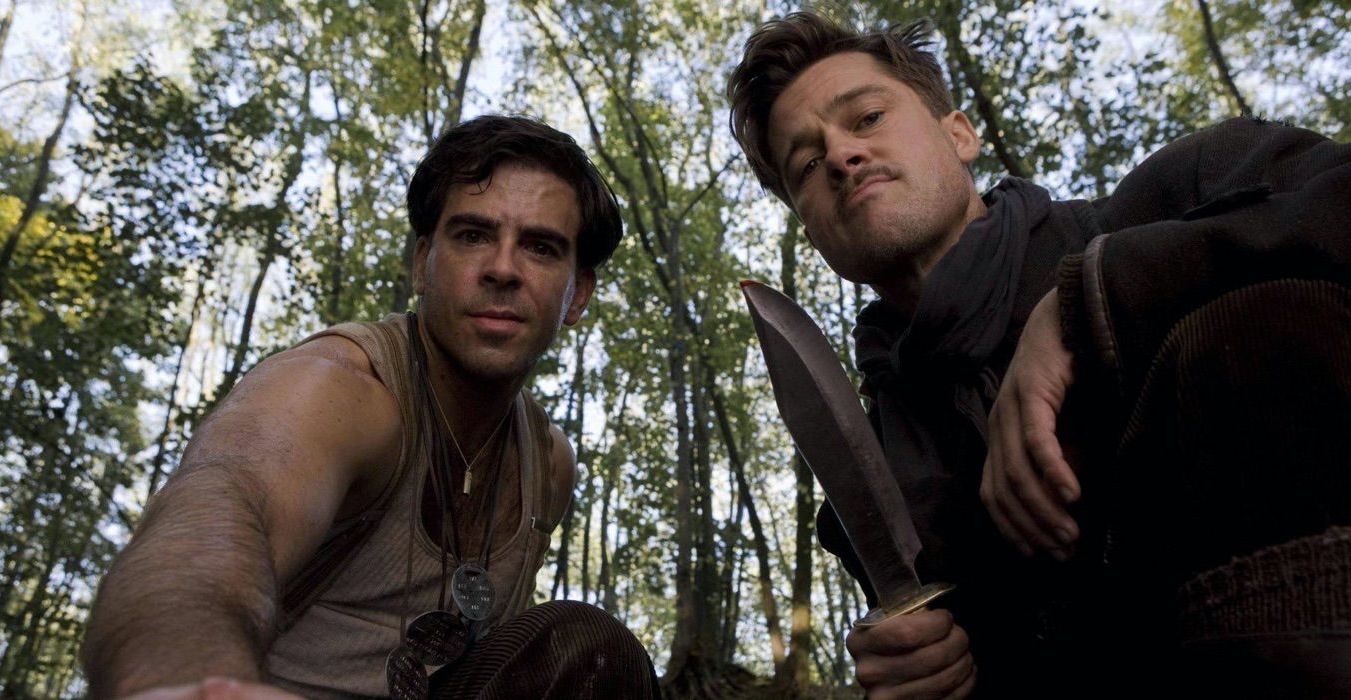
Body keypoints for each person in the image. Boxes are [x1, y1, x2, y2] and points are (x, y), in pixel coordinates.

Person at [728, 11, 1351, 698]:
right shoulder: (877, 488)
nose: (842, 156)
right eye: (808, 165)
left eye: (868, 117)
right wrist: (929, 675)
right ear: (811, 231)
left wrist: (1092, 297)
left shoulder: (1183, 191)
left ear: (958, 133)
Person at [82, 115, 660, 700]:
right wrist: (187, 683)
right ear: (421, 262)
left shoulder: (548, 466)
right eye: (472, 235)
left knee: (587, 647)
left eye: (539, 247)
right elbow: (217, 516)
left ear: (577, 293)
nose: (503, 269)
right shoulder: (339, 390)